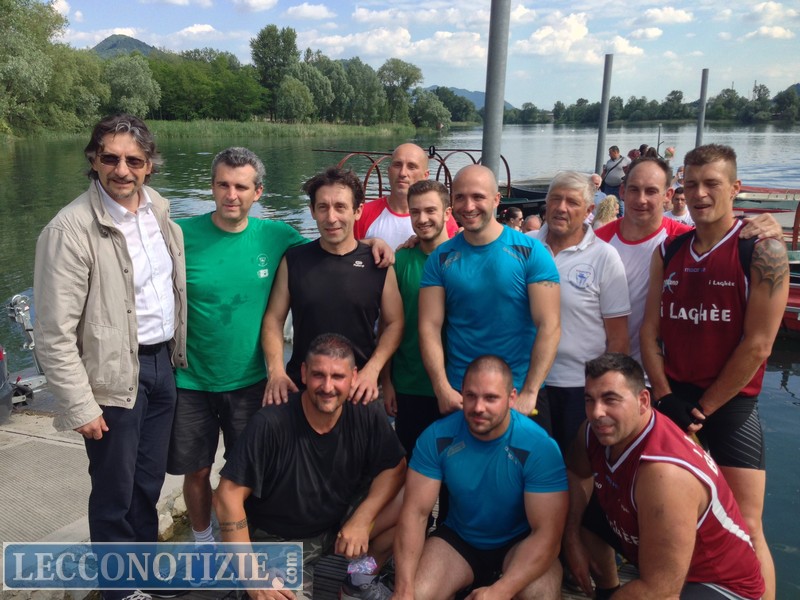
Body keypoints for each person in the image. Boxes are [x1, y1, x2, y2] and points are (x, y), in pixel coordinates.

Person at [33, 115, 187, 600]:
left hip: (161, 366)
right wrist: (80, 404)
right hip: (112, 373)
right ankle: (120, 591)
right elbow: (53, 333)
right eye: (110, 158)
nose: (122, 170)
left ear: (149, 165)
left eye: (134, 160)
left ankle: (143, 576)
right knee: (114, 489)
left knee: (148, 483)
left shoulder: (158, 210)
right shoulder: (70, 229)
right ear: (93, 159)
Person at [640, 144, 789, 600]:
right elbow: (649, 332)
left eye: (712, 184)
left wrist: (702, 408)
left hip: (727, 407)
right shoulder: (670, 249)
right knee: (670, 517)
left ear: (735, 188)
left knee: (748, 524)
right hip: (673, 402)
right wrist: (665, 397)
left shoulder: (762, 250)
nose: (700, 193)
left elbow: (759, 344)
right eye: (691, 184)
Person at [165, 147, 307, 545]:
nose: (231, 195)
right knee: (196, 470)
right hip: (190, 380)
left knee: (249, 470)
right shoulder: (178, 235)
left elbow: (329, 250)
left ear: (258, 192)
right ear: (211, 187)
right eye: (223, 185)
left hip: (250, 380)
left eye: (241, 187)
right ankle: (202, 542)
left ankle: (245, 541)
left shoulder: (276, 236)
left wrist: (375, 244)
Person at [214, 333, 406, 600]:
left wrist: (363, 519)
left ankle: (358, 578)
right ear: (303, 373)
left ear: (353, 377)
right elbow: (227, 497)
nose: (328, 387)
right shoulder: (270, 423)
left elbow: (396, 467)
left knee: (410, 505)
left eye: (338, 377)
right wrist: (252, 577)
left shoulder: (366, 412)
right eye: (318, 375)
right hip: (282, 541)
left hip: (337, 524)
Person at [564, 353, 765, 600]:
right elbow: (577, 474)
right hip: (659, 558)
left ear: (643, 401)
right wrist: (571, 537)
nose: (596, 412)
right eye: (589, 400)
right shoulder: (593, 432)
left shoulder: (665, 474)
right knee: (585, 514)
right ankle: (607, 591)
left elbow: (659, 592)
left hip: (719, 583)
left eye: (610, 399)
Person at [393, 356, 567, 600]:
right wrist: (403, 590)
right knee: (417, 593)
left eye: (491, 398)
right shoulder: (437, 436)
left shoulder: (539, 446)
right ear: (461, 394)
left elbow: (547, 535)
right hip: (460, 540)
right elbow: (415, 513)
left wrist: (499, 591)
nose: (478, 407)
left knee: (541, 595)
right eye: (471, 396)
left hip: (519, 543)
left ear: (512, 398)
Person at [419, 164, 560, 418]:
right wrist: (441, 388)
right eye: (460, 197)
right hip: (462, 392)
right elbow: (429, 326)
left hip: (519, 392)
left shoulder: (531, 252)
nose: (468, 206)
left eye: (478, 197)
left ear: (496, 199)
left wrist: (530, 391)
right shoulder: (440, 258)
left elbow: (549, 325)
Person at [262, 167, 404, 406]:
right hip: (303, 386)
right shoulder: (294, 261)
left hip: (360, 387)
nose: (331, 217)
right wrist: (276, 371)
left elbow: (395, 322)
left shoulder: (377, 263)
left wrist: (373, 369)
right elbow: (274, 319)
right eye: (323, 207)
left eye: (340, 207)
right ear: (312, 211)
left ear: (358, 211)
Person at [529, 172, 630, 453]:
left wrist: (605, 393)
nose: (561, 208)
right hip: (528, 382)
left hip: (580, 386)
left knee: (578, 467)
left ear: (589, 211)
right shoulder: (526, 246)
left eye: (572, 202)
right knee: (533, 467)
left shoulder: (604, 256)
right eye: (555, 199)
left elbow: (618, 338)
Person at [382, 180, 453, 456]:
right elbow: (388, 325)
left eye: (430, 210)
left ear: (447, 213)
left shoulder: (465, 255)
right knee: (412, 463)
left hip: (457, 382)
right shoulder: (400, 262)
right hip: (409, 384)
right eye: (415, 212)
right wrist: (387, 382)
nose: (422, 219)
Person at [354, 143, 458, 248]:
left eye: (411, 167)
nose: (402, 173)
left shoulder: (440, 218)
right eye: (397, 165)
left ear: (425, 175)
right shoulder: (363, 213)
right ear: (389, 171)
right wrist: (370, 243)